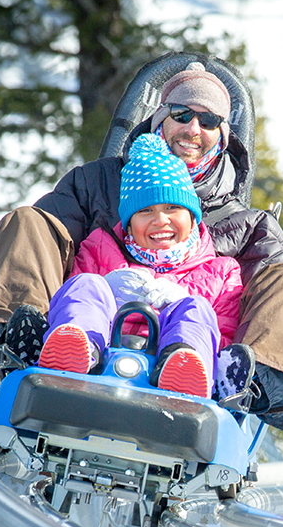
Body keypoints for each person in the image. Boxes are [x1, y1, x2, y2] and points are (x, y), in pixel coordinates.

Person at [0, 60, 283, 428]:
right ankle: (25, 344)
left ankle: (246, 384)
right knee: (29, 223)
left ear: (224, 134)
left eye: (209, 120)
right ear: (159, 119)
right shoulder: (97, 183)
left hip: (195, 346)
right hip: (94, 322)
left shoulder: (250, 228)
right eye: (181, 114)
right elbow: (59, 253)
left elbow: (246, 303)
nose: (193, 128)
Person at [40, 133, 253, 402]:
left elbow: (223, 337)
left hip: (167, 377)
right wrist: (110, 291)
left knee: (197, 309)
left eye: (173, 207)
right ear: (129, 224)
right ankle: (75, 352)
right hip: (100, 365)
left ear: (192, 216)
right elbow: (70, 300)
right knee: (86, 286)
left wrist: (177, 304)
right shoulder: (100, 248)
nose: (160, 220)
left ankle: (183, 367)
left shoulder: (222, 272)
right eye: (145, 211)